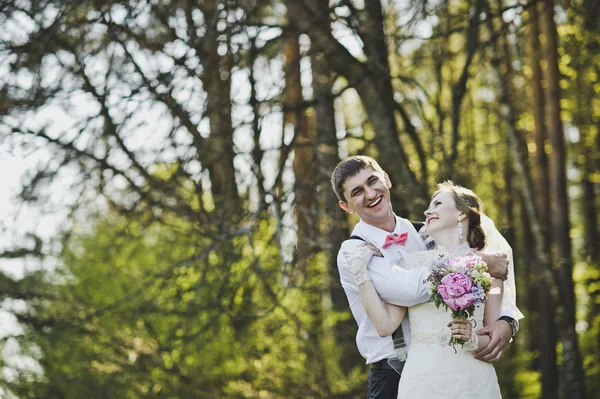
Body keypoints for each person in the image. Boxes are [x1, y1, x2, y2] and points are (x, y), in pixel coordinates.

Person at [331, 155, 522, 399]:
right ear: (346, 206)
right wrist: (477, 263)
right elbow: (410, 290)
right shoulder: (354, 251)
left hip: (452, 363)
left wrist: (506, 321)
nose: (370, 194)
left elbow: (496, 270)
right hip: (393, 374)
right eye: (357, 192)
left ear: (386, 179)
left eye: (373, 181)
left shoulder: (427, 234)